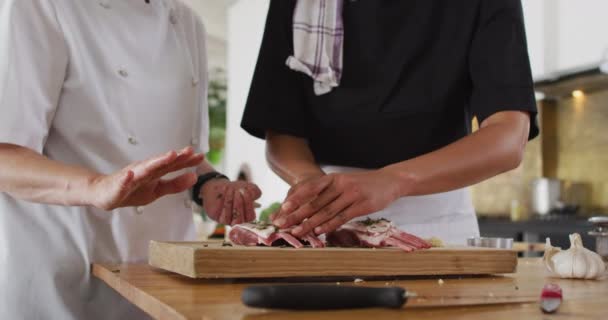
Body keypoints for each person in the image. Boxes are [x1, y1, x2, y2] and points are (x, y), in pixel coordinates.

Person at [0, 0, 260, 318]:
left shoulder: (187, 21)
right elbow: (6, 157)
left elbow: (182, 152)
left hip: (163, 281)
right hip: (62, 277)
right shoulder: (39, 6)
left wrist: (207, 183)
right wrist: (96, 186)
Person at [241, 0, 538, 244]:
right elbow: (281, 129)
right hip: (323, 224)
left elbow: (508, 137)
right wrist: (312, 187)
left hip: (438, 224)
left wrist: (395, 180)